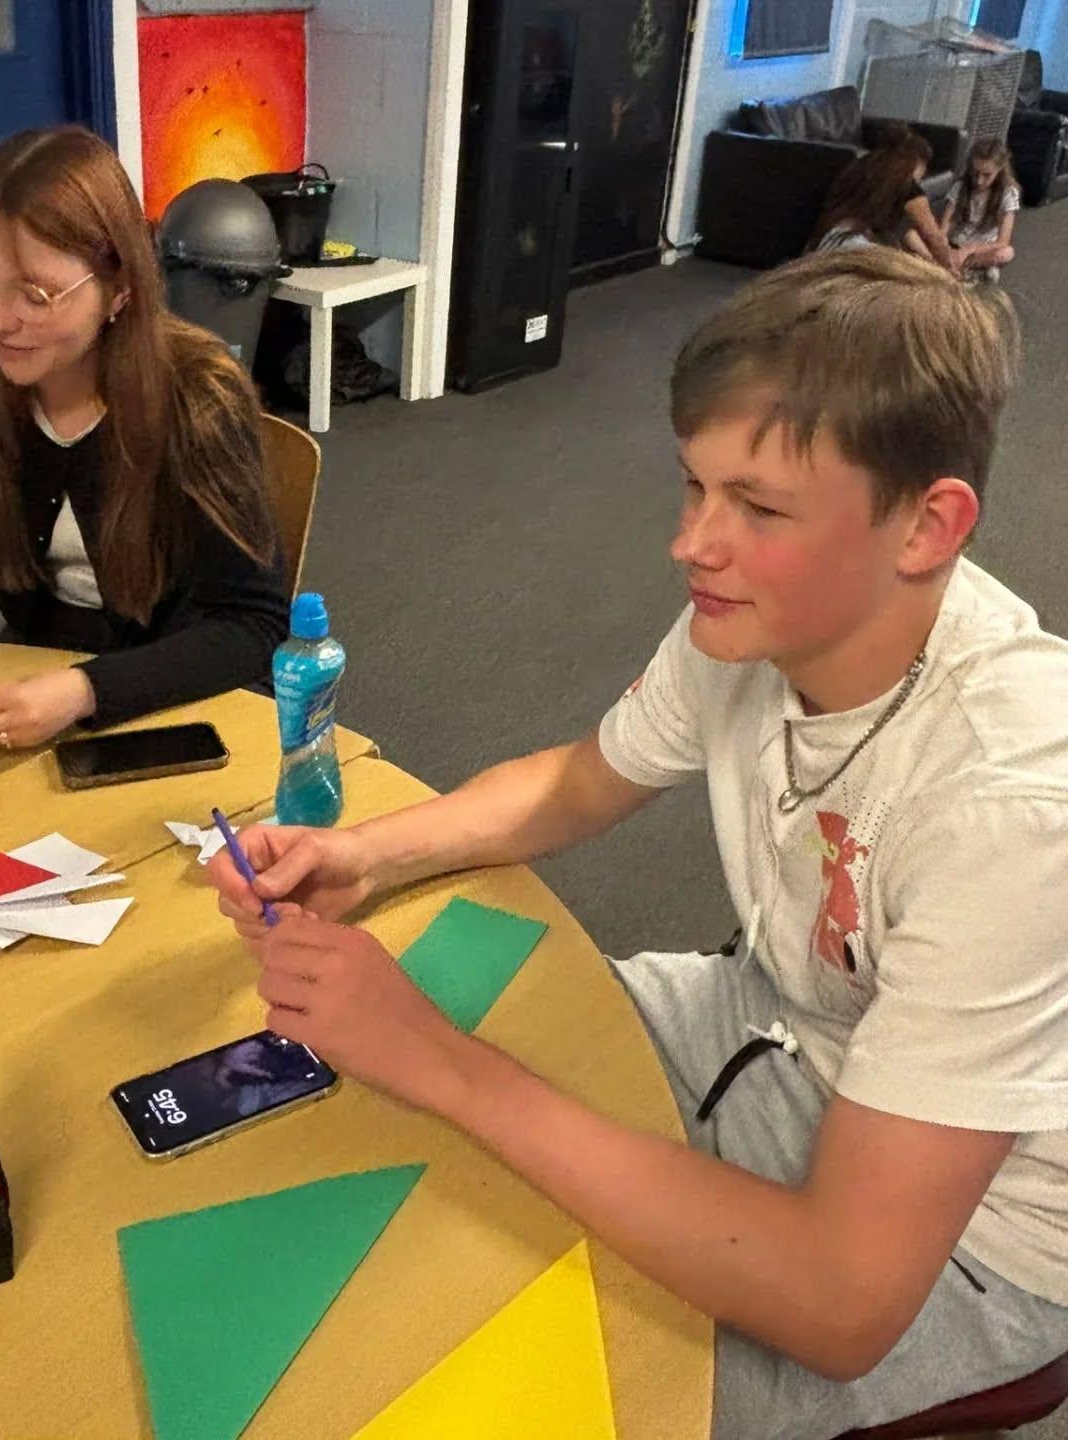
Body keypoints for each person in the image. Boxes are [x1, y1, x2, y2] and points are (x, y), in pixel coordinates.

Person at [207, 248, 1068, 1439]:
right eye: (694, 489)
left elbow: (843, 1301)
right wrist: (371, 855)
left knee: (488, 1361)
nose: (692, 544)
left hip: (974, 1246)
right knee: (387, 1119)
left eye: (757, 508)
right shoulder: (760, 609)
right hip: (771, 1017)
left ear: (928, 527)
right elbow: (578, 781)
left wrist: (445, 1065)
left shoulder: (1015, 810)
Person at [0, 127, 288, 749]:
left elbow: (251, 626)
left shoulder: (199, 394)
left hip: (181, 694)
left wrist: (83, 691)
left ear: (119, 288)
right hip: (36, 675)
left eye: (35, 295)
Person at [809, 127, 960, 274]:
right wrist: (949, 272)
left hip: (827, 241)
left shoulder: (862, 165)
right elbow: (933, 236)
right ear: (917, 162)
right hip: (853, 249)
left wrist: (929, 259)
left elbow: (906, 232)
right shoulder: (908, 185)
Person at [944, 137, 1020, 282]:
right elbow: (945, 227)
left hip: (983, 250)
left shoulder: (1008, 193)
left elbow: (1003, 241)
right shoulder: (960, 187)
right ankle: (967, 271)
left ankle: (958, 268)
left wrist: (968, 250)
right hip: (955, 245)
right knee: (911, 235)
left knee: (1007, 253)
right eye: (975, 173)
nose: (979, 181)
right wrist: (944, 247)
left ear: (999, 169)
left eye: (986, 175)